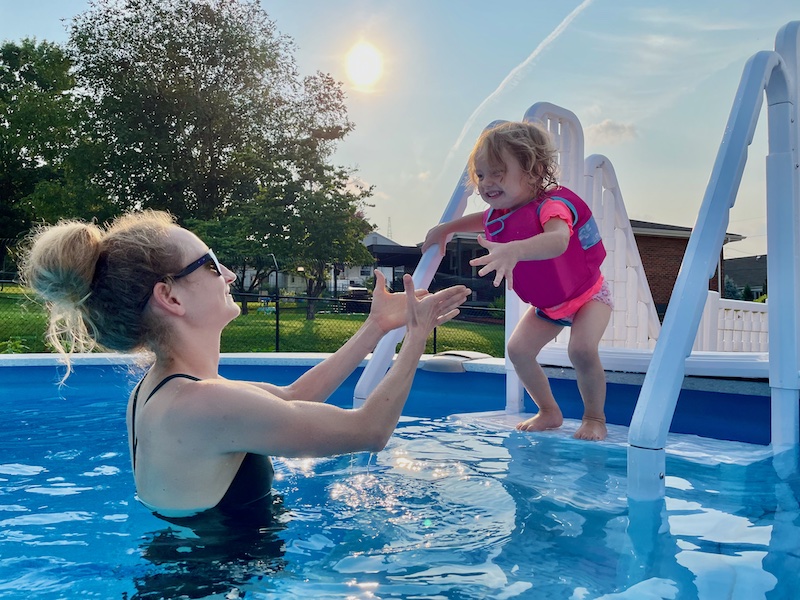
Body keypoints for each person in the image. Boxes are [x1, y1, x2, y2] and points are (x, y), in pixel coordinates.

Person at [20, 210, 471, 519]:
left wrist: (375, 328)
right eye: (211, 265)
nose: (230, 275)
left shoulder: (168, 390)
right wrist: (415, 336)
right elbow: (370, 431)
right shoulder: (203, 403)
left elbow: (295, 397)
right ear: (170, 297)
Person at [423, 121, 612, 441]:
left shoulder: (552, 207)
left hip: (589, 296)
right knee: (518, 350)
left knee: (581, 350)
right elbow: (481, 220)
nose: (487, 182)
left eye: (497, 173)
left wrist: (515, 250)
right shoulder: (502, 212)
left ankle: (595, 417)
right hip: (550, 305)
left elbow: (559, 240)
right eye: (481, 175)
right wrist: (446, 228)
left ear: (534, 172)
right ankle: (548, 411)